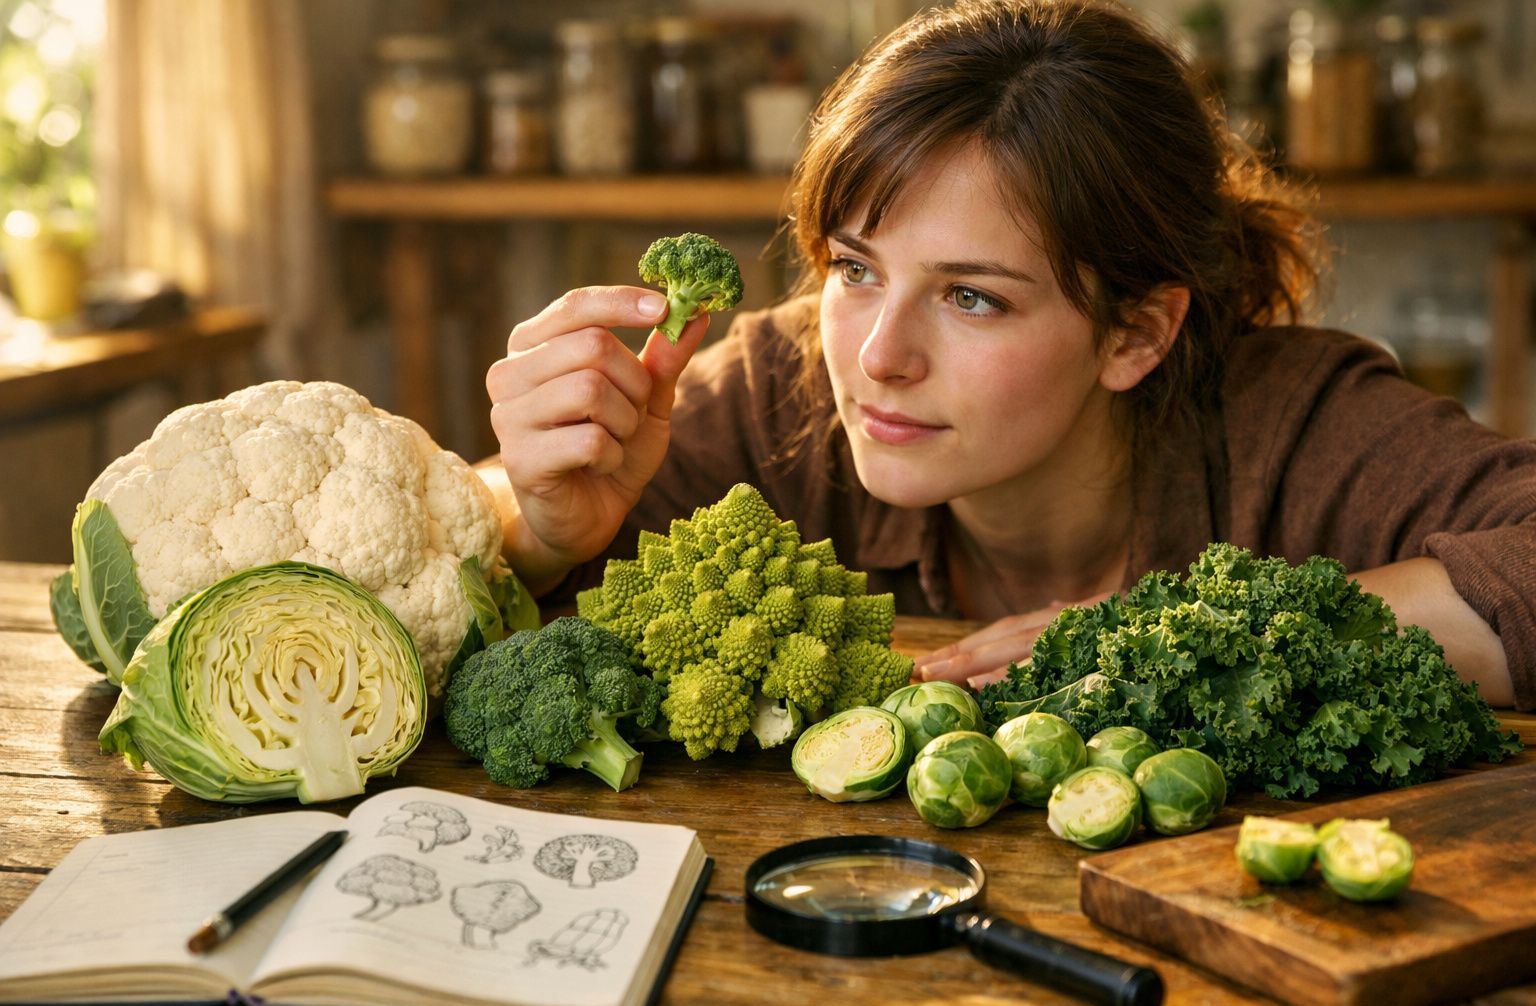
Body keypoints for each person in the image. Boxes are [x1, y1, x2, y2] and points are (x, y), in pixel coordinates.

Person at [481, 0, 1531, 711]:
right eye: (855, 268)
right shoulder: (788, 381)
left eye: (972, 296)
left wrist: (1187, 635)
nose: (880, 356)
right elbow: (443, 539)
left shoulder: (1294, 427)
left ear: (1137, 332)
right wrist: (538, 526)